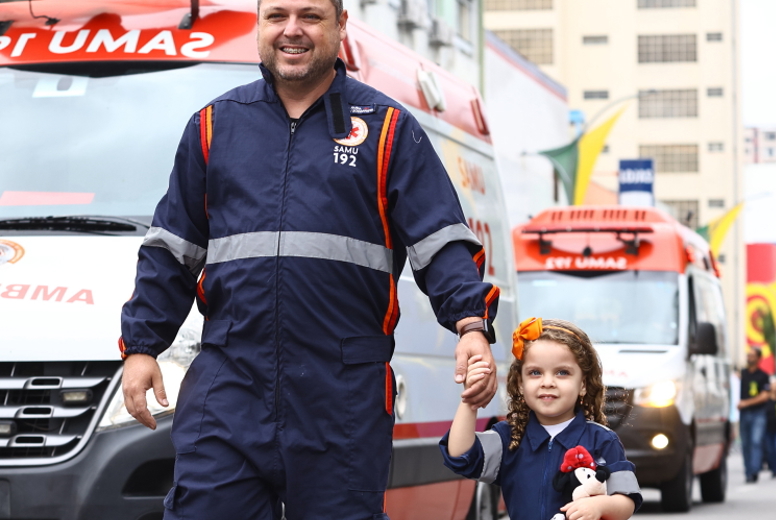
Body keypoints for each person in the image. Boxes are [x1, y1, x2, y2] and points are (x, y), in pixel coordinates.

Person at [118, 1, 500, 518]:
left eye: (310, 16)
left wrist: (471, 326)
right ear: (260, 26)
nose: (291, 30)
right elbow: (171, 248)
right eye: (276, 16)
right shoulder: (214, 127)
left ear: (341, 25)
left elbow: (442, 242)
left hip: (341, 395)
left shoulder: (387, 130)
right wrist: (142, 346)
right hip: (230, 386)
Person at [441, 318, 642, 520]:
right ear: (520, 383)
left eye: (562, 373)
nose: (547, 382)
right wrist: (470, 400)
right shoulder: (508, 438)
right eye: (535, 373)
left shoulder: (603, 440)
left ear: (583, 384)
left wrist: (600, 506)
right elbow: (460, 456)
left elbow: (627, 501)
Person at [737, 347, 770, 483]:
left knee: (756, 442)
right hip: (744, 414)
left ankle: (755, 470)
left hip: (758, 413)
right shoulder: (742, 374)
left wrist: (746, 403)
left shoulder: (763, 375)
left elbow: (765, 396)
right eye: (748, 355)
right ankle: (748, 471)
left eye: (752, 355)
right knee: (745, 444)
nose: (749, 357)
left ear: (758, 358)